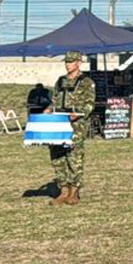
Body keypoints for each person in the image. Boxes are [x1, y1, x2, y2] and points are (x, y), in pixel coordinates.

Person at [48, 51, 95, 205]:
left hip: (76, 125)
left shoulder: (86, 82)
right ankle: (62, 190)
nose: (68, 65)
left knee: (74, 157)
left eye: (71, 62)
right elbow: (55, 100)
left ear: (79, 63)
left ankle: (74, 191)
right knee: (57, 157)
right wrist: (48, 109)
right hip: (58, 123)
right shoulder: (60, 81)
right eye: (66, 62)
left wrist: (78, 113)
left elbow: (90, 104)